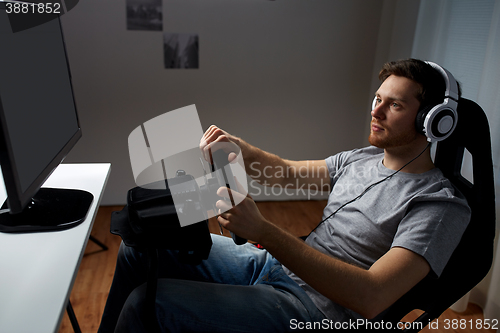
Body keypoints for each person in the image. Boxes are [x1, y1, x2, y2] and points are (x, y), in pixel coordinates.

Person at [98, 59, 470, 332]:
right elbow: (286, 173)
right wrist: (240, 149)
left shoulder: (439, 205)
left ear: (432, 122)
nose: (376, 110)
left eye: (395, 105)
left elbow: (371, 297)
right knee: (138, 247)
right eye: (377, 98)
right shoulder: (361, 159)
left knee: (144, 307)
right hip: (275, 268)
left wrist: (264, 232)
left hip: (313, 312)